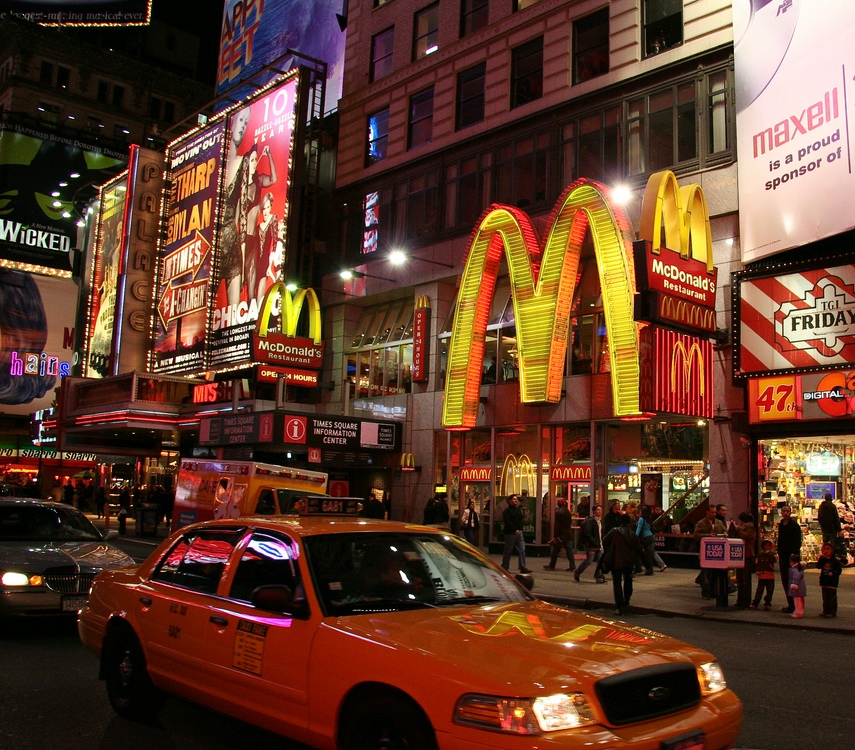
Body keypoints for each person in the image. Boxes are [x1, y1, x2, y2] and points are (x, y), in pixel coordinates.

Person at [602, 514, 644, 615]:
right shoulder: (633, 534)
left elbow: (605, 540)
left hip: (616, 560)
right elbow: (639, 549)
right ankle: (626, 601)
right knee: (628, 580)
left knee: (617, 583)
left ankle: (620, 606)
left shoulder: (615, 531)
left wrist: (613, 547)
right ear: (629, 522)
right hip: (629, 561)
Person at [694, 503, 727, 599]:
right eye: (712, 512)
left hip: (717, 552)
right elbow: (696, 535)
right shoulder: (701, 523)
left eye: (715, 513)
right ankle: (706, 593)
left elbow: (724, 532)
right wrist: (707, 535)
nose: (714, 514)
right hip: (705, 552)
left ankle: (714, 592)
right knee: (706, 574)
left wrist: (724, 534)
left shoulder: (718, 523)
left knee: (715, 574)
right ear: (707, 512)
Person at [776, 504, 802, 613]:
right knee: (785, 581)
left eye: (787, 511)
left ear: (790, 512)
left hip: (792, 557)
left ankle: (795, 605)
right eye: (784, 511)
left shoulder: (794, 526)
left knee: (793, 581)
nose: (785, 513)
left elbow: (797, 541)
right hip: (783, 556)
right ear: (781, 513)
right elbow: (780, 540)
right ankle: (790, 604)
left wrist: (794, 554)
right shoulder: (781, 525)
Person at [574, 505, 606, 583]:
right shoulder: (591, 521)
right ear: (594, 511)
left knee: (600, 562)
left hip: (600, 545)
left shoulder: (600, 521)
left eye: (601, 510)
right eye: (598, 510)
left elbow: (601, 533)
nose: (600, 511)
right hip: (592, 546)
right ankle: (577, 572)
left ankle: (599, 577)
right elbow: (587, 533)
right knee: (589, 561)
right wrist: (593, 542)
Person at [501, 494, 531, 573]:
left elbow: (520, 520)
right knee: (508, 550)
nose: (516, 501)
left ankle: (522, 567)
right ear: (510, 501)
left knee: (522, 549)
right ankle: (505, 567)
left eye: (516, 499)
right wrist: (515, 530)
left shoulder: (518, 510)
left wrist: (520, 529)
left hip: (519, 533)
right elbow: (508, 522)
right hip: (510, 533)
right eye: (514, 499)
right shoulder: (507, 511)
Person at [544, 497, 575, 572]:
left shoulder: (558, 512)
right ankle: (572, 565)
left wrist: (555, 536)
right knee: (569, 551)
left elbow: (557, 526)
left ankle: (552, 565)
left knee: (555, 551)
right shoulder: (567, 512)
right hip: (567, 534)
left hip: (561, 535)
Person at [735, 511, 757, 608]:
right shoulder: (746, 527)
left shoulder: (749, 528)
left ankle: (745, 601)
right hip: (742, 555)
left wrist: (739, 530)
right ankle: (741, 600)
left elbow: (747, 536)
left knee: (745, 579)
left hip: (747, 555)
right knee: (740, 579)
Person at [636, 505, 665, 575]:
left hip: (644, 538)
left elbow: (639, 529)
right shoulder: (649, 518)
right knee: (649, 555)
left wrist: (635, 537)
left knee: (639, 553)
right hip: (650, 537)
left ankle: (638, 568)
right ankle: (650, 570)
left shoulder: (641, 519)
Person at [816, 542, 842, 618]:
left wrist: (833, 573)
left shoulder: (835, 561)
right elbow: (818, 566)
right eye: (824, 549)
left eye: (828, 549)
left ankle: (832, 611)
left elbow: (839, 570)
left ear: (832, 551)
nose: (826, 551)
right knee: (825, 598)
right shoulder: (823, 559)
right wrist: (821, 559)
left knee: (832, 598)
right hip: (824, 581)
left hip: (832, 582)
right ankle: (825, 610)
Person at [751, 539, 777, 610]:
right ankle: (755, 602)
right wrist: (757, 570)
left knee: (770, 590)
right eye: (765, 545)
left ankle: (767, 603)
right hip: (762, 574)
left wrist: (769, 553)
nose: (767, 547)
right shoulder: (760, 554)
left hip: (770, 574)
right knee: (759, 590)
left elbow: (774, 560)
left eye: (769, 545)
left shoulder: (772, 554)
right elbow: (757, 563)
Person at [788, 554, 806, 619]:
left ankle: (798, 612)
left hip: (797, 587)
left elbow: (796, 577)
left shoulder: (794, 570)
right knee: (800, 600)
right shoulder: (799, 569)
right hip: (801, 587)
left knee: (797, 600)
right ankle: (799, 611)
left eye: (790, 562)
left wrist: (794, 585)